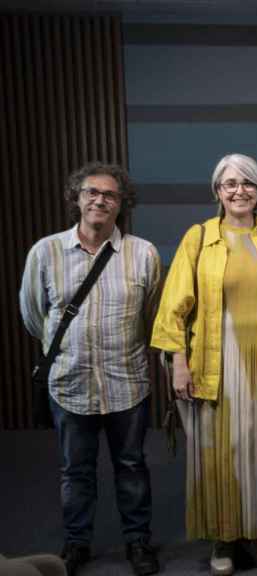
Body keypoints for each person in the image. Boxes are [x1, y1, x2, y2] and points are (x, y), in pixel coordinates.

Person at [152, 154, 257, 576]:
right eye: (230, 183)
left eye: (248, 183)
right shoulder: (199, 238)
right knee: (219, 455)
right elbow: (173, 307)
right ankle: (224, 539)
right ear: (218, 191)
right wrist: (180, 362)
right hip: (217, 362)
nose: (239, 191)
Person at [19, 162, 161, 576]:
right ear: (76, 198)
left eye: (110, 195)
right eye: (91, 192)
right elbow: (33, 315)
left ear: (122, 204)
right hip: (69, 382)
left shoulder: (144, 253)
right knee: (75, 470)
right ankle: (76, 543)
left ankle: (138, 542)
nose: (99, 199)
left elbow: (149, 316)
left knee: (132, 467)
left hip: (127, 381)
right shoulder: (45, 252)